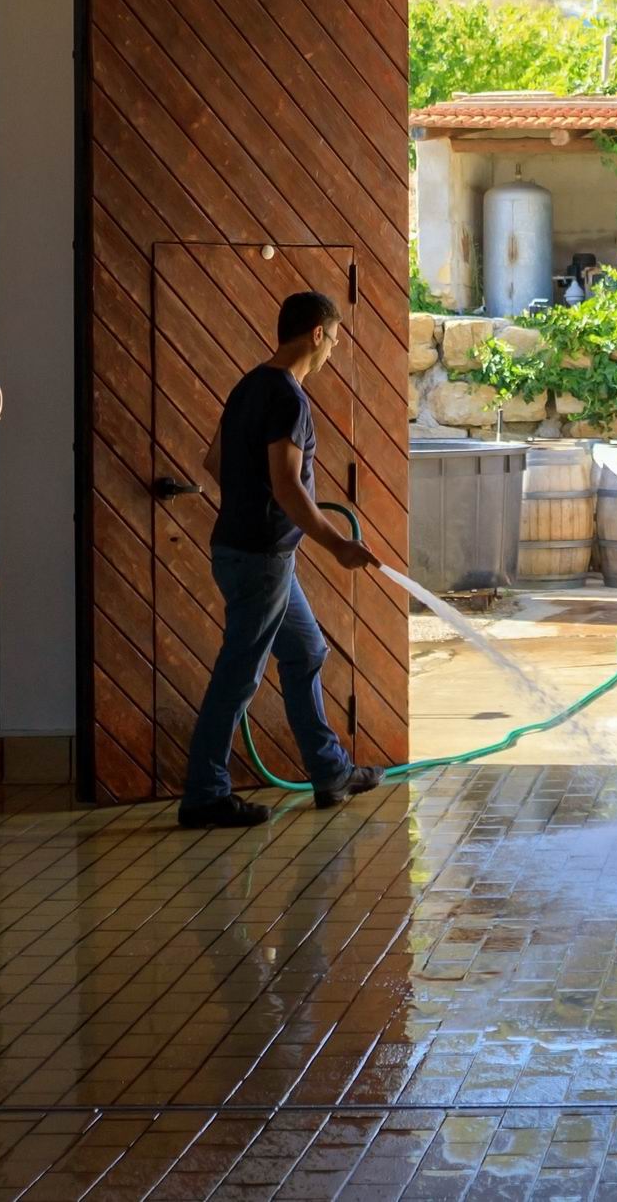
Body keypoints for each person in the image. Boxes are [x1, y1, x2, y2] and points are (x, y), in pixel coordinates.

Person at [179, 288, 384, 828]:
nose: (333, 351)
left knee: (306, 651)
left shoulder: (248, 387)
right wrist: (337, 543)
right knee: (239, 674)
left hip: (242, 549)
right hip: (263, 557)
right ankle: (204, 793)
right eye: (333, 339)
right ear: (316, 333)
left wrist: (250, 504)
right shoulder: (290, 398)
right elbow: (289, 487)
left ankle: (330, 772)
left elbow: (213, 459)